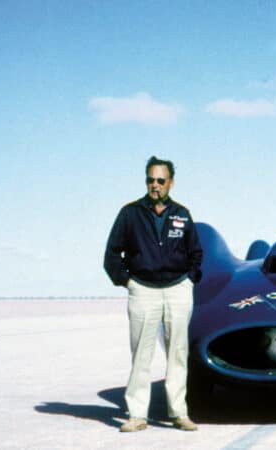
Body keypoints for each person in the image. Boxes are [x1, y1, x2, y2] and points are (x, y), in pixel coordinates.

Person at [104, 156, 203, 432]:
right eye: (150, 180)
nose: (155, 185)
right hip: (143, 290)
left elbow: (196, 252)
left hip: (177, 289)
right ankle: (137, 415)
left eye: (161, 180)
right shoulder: (130, 213)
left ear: (171, 182)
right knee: (141, 355)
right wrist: (128, 281)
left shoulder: (182, 214)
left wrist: (189, 280)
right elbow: (112, 254)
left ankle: (178, 412)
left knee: (178, 354)